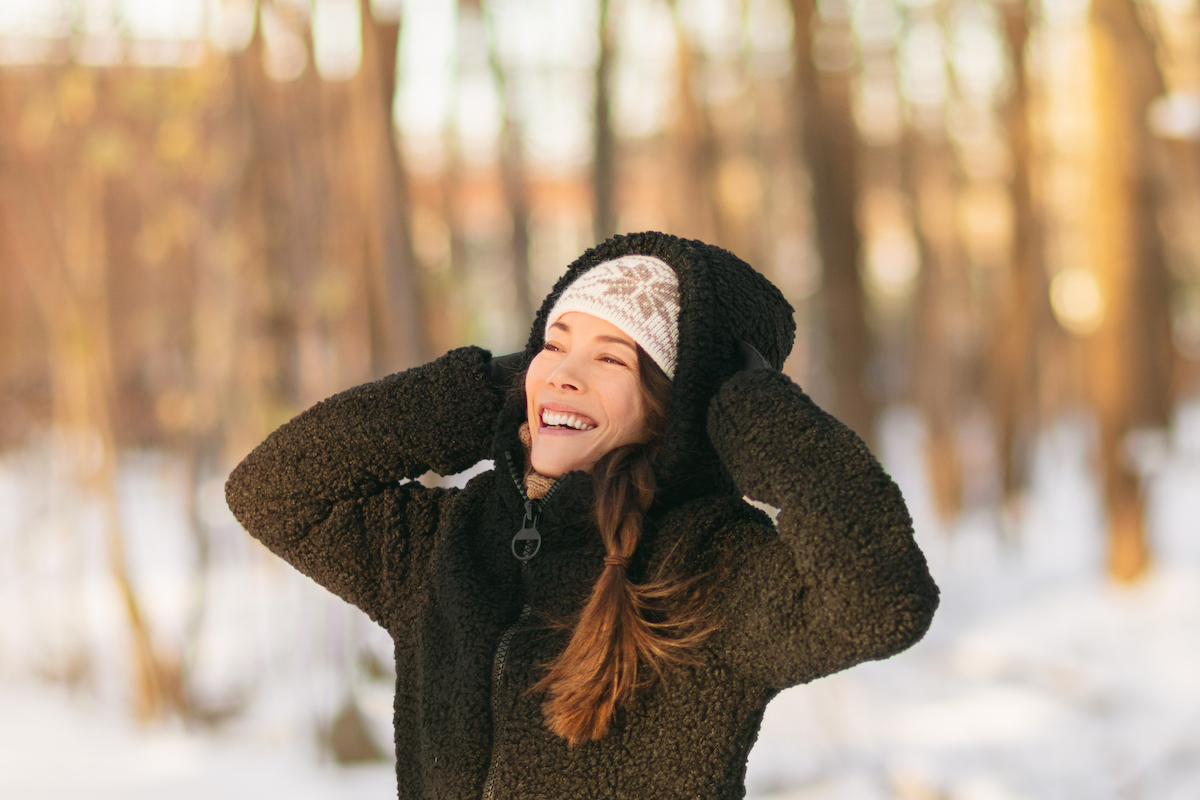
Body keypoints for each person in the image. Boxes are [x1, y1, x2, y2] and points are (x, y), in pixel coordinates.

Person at [226, 232, 939, 799]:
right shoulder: (450, 542)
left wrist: (749, 407)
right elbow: (275, 491)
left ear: (674, 405)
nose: (565, 372)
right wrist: (492, 391)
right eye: (554, 343)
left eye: (612, 359)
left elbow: (879, 600)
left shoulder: (710, 567)